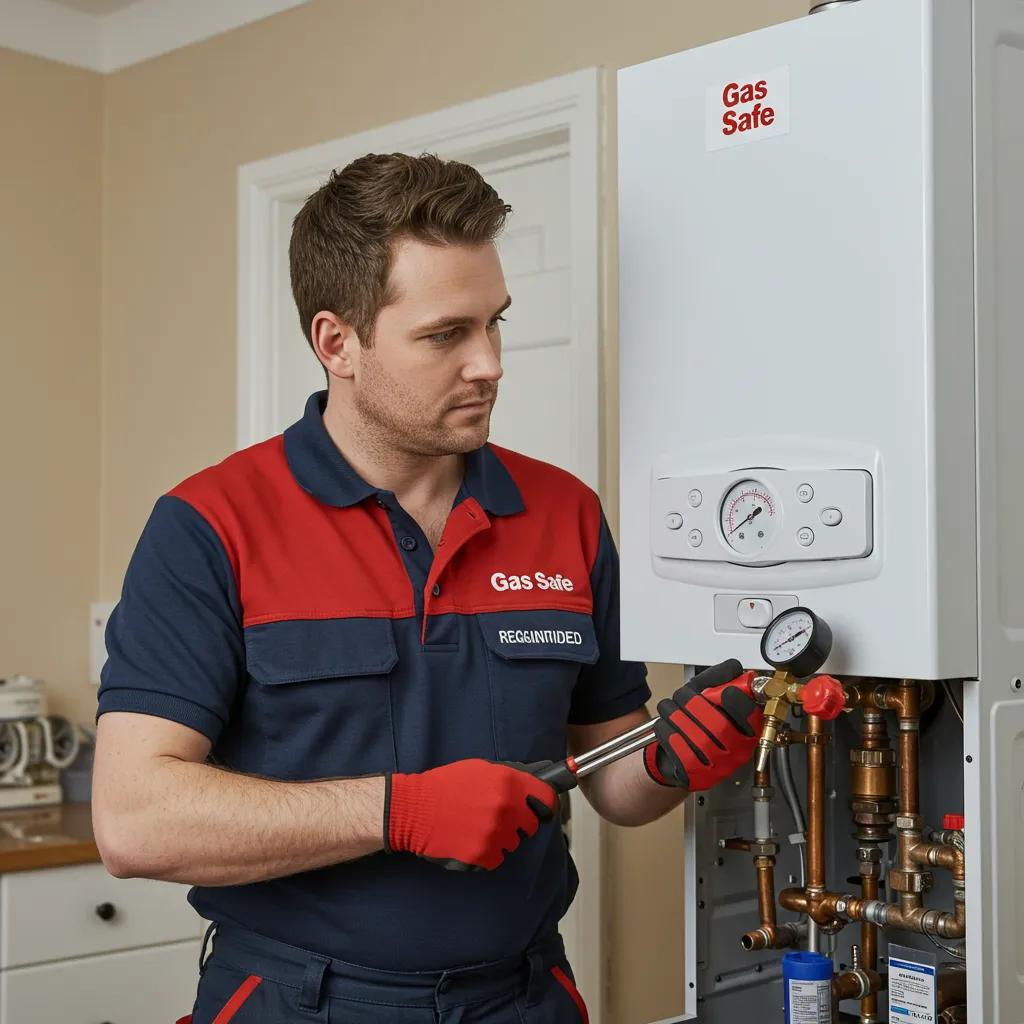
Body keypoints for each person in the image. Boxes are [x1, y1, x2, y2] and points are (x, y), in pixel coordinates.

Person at [92, 153, 764, 1024]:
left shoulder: (566, 513)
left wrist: (675, 756)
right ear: (337, 342)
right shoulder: (210, 525)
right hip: (302, 999)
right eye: (447, 335)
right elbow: (134, 820)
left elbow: (617, 783)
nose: (488, 364)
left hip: (525, 996)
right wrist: (397, 811)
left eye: (496, 323)